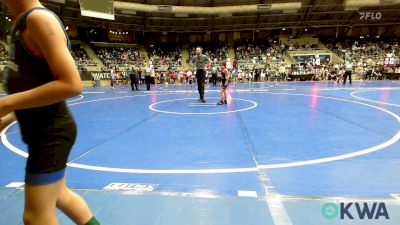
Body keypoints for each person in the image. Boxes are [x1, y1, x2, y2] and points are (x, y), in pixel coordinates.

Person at [0, 1, 100, 225]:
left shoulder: (38, 20)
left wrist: (5, 104)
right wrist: (9, 116)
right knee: (61, 196)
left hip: (50, 134)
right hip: (42, 132)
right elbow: (34, 86)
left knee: (36, 217)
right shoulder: (20, 23)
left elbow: (72, 84)